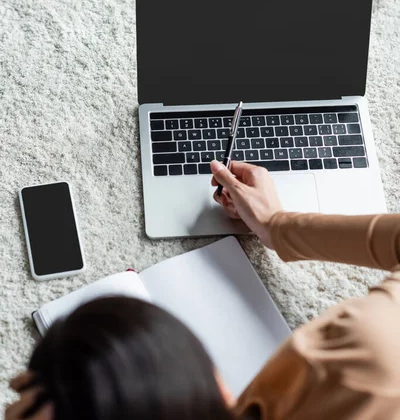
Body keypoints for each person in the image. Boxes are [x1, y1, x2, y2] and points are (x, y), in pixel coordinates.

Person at [7, 160, 400, 420]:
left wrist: (279, 227)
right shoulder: (353, 362)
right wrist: (278, 226)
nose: (10, 401)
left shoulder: (352, 365)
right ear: (217, 383)